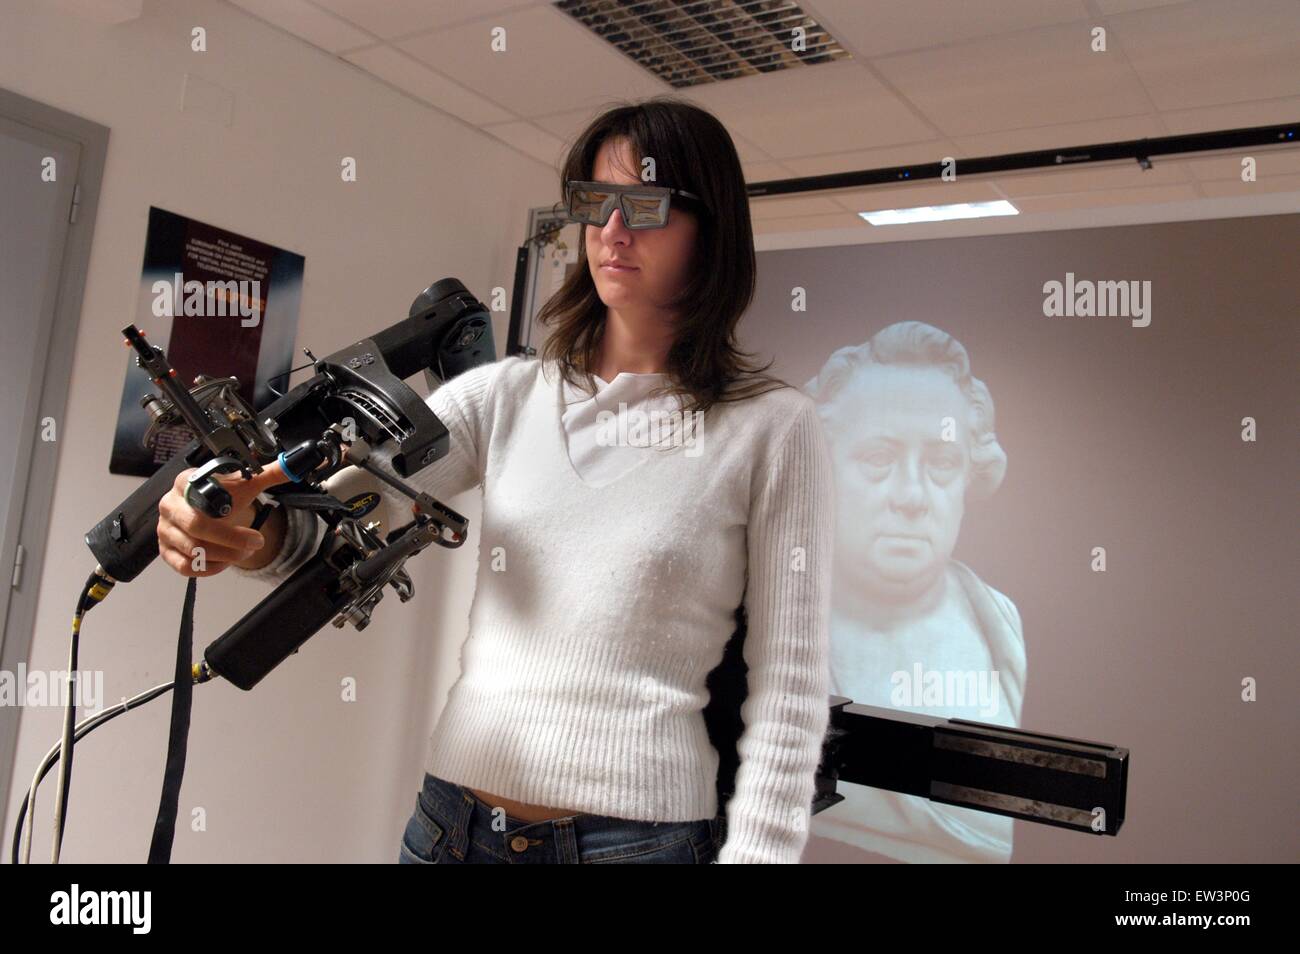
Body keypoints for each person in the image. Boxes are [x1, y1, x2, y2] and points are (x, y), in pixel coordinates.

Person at [155, 97, 835, 864]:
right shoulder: (503, 397)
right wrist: (243, 532)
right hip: (452, 829)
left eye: (644, 205)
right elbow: (337, 519)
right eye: (595, 204)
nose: (612, 231)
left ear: (711, 229)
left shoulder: (774, 428)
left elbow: (791, 682)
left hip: (637, 845)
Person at [802, 321, 1026, 863]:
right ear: (824, 467)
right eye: (879, 459)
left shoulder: (999, 622)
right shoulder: (769, 621)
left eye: (942, 463)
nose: (911, 496)